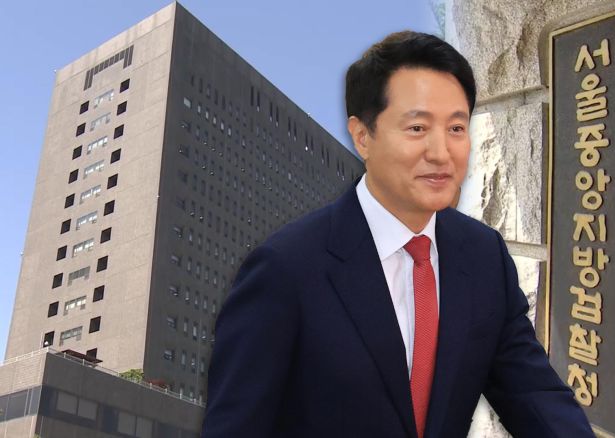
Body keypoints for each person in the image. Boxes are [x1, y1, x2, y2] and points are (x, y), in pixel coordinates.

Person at [201, 31, 594, 437]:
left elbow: (534, 393)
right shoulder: (285, 269)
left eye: (456, 128)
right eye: (417, 128)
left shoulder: (484, 255)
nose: (441, 153)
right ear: (363, 137)